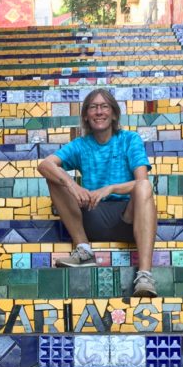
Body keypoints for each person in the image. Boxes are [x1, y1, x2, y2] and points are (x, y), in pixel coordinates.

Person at [37, 88, 158, 298]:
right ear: (86, 115)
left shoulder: (129, 139)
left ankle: (145, 275)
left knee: (145, 187)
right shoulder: (81, 145)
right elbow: (45, 165)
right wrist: (72, 184)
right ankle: (83, 249)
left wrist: (111, 188)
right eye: (93, 107)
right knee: (54, 176)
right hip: (92, 214)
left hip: (128, 218)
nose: (99, 112)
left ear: (113, 114)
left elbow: (142, 182)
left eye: (104, 107)